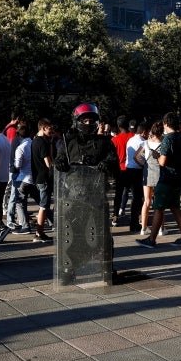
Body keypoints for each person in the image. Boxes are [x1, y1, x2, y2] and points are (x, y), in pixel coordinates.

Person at [54, 103, 119, 282]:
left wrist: (107, 164)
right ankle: (68, 269)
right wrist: (59, 164)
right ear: (77, 120)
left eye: (91, 119)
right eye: (85, 119)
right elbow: (59, 160)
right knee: (73, 235)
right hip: (74, 197)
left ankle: (107, 267)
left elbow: (114, 164)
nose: (88, 122)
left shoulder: (105, 143)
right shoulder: (68, 143)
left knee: (103, 236)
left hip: (97, 196)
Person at [135, 112, 181, 249]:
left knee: (158, 208)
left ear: (166, 124)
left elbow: (163, 162)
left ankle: (151, 239)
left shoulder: (168, 139)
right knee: (175, 208)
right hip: (178, 177)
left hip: (166, 178)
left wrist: (156, 155)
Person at [135, 121, 163, 236]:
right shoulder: (163, 143)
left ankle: (143, 228)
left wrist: (142, 165)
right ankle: (161, 228)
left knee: (146, 201)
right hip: (160, 174)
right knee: (159, 202)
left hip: (147, 173)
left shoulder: (145, 143)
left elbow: (136, 156)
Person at [30, 118, 55, 243]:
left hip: (38, 178)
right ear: (43, 128)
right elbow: (48, 163)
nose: (52, 131)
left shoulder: (34, 141)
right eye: (50, 128)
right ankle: (38, 233)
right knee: (43, 207)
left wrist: (50, 142)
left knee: (43, 206)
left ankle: (40, 233)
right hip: (45, 178)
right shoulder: (42, 143)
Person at [10, 123, 34, 234]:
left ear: (19, 136)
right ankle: (52, 221)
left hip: (24, 178)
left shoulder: (20, 148)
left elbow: (17, 166)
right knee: (40, 201)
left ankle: (25, 226)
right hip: (34, 177)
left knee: (19, 202)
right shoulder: (33, 144)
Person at [109, 116, 133, 227]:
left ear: (118, 126)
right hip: (133, 169)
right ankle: (136, 216)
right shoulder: (134, 137)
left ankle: (115, 216)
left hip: (120, 170)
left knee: (118, 194)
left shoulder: (114, 140)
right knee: (136, 195)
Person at [125, 120, 145, 234]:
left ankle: (135, 221)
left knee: (135, 197)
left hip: (129, 169)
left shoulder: (130, 140)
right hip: (138, 170)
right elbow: (141, 157)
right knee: (138, 198)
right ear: (143, 132)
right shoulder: (143, 142)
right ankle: (135, 223)